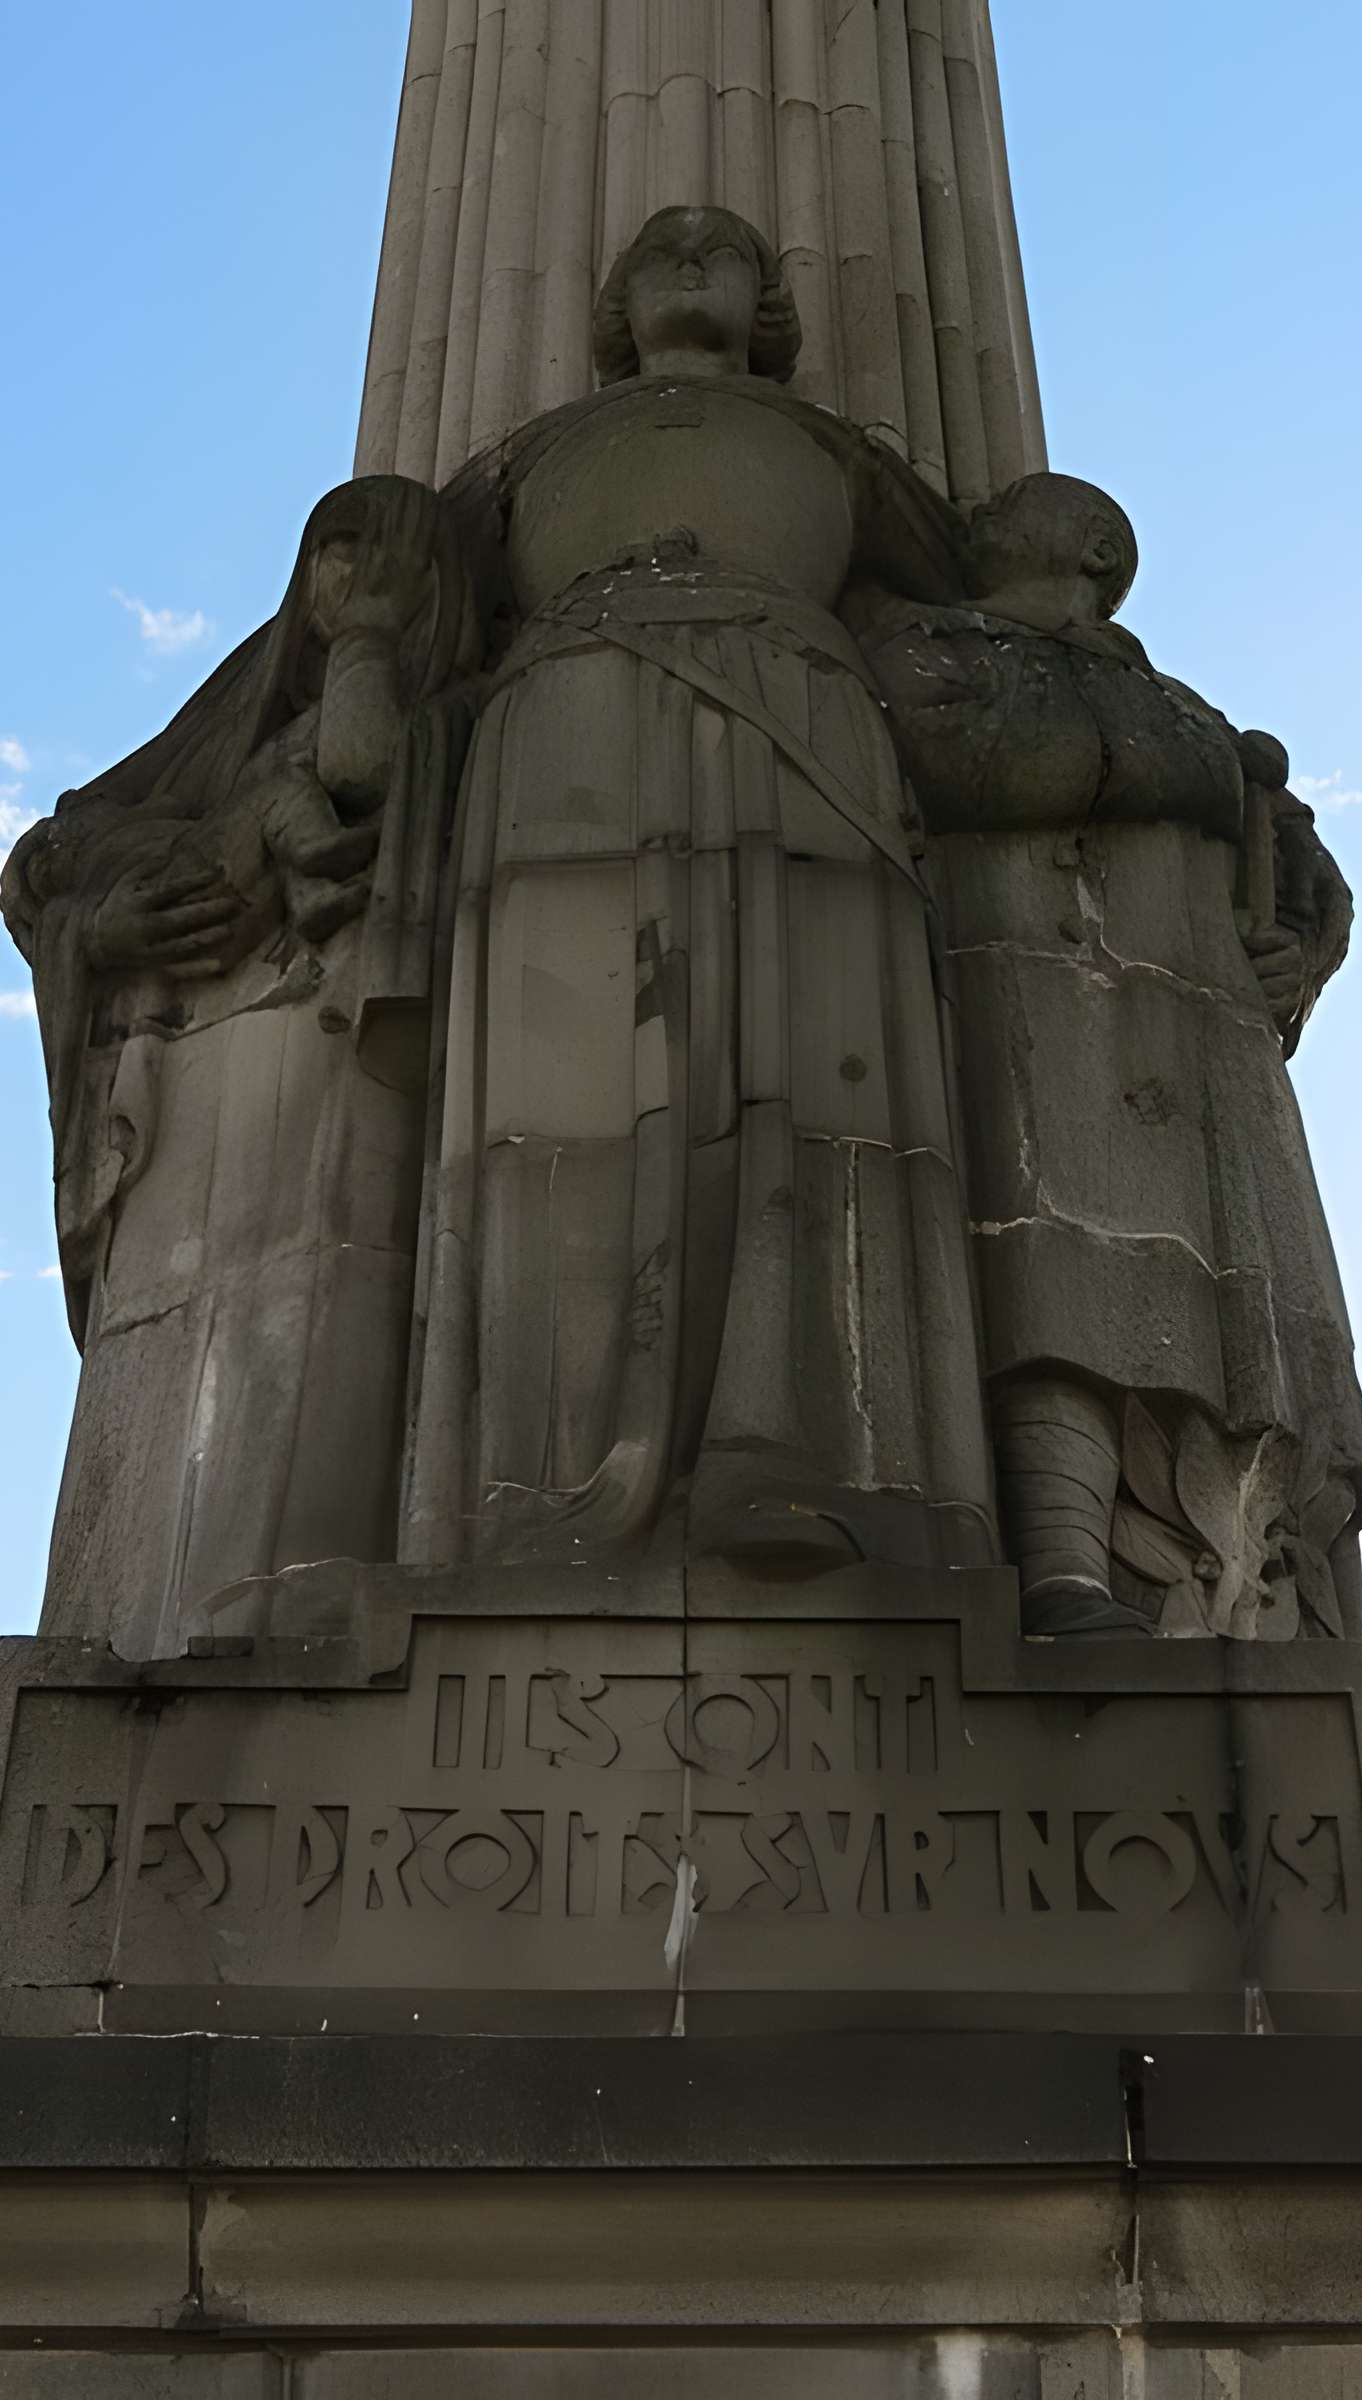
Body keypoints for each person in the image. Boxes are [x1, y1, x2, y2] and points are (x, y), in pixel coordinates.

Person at [397, 205, 997, 1575]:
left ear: (768, 304)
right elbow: (371, 608)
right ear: (609, 307)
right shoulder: (531, 456)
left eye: (722, 247)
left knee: (803, 1088)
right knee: (546, 1114)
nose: (686, 256)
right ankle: (532, 1482)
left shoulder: (835, 452)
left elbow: (987, 605)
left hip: (799, 720)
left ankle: (801, 1449)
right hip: (564, 733)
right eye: (659, 245)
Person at [867, 473, 1362, 1637]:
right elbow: (973, 756)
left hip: (1193, 1046)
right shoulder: (938, 660)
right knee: (1050, 1282)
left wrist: (1297, 947)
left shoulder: (1180, 716)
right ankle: (1060, 1571)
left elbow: (1306, 890)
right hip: (1020, 993)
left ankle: (1225, 1594)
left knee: (1185, 1316)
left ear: (1095, 547)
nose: (981, 514)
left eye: (1026, 505)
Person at [1, 477, 475, 1655]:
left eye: (380, 553)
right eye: (330, 551)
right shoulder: (246, 709)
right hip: (192, 1087)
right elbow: (44, 863)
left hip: (341, 1069)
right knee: (174, 1419)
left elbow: (364, 775)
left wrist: (371, 644)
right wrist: (95, 933)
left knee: (302, 1390)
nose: (347, 578)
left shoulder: (465, 697)